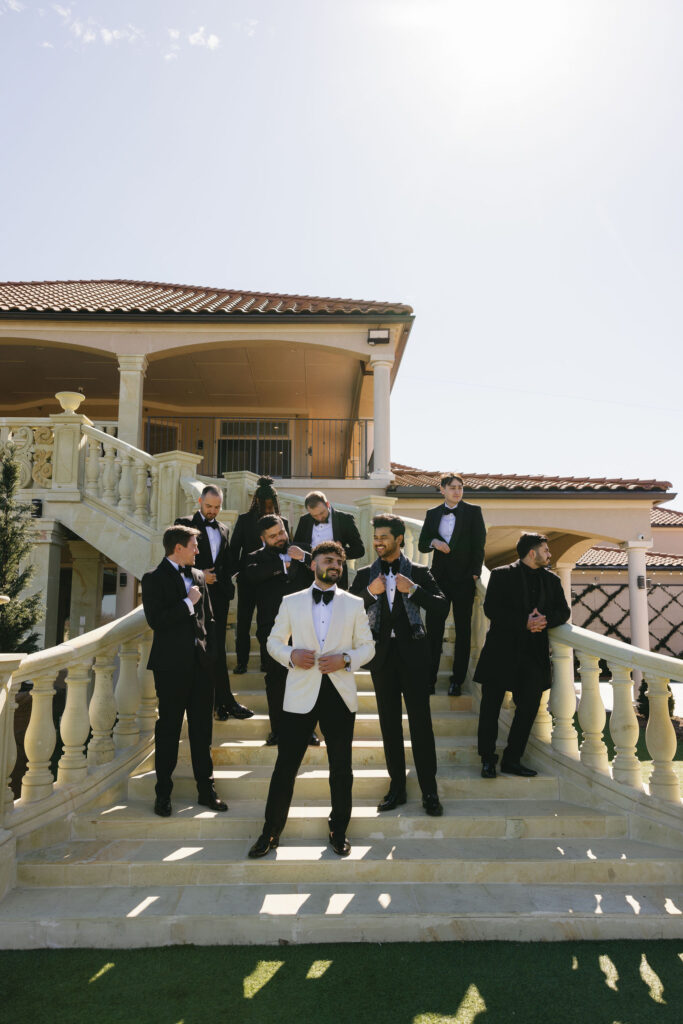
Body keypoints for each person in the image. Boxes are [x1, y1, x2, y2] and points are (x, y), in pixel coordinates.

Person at [248, 541, 375, 858]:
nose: (335, 565)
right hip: (301, 693)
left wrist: (345, 660)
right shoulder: (291, 602)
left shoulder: (354, 604)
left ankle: (339, 831)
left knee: (341, 769)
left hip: (339, 694)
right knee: (285, 767)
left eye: (339, 562)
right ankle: (271, 832)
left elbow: (368, 648)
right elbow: (273, 642)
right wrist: (291, 655)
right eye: (328, 560)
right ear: (313, 563)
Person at [350, 514, 446, 817]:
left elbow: (442, 606)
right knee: (389, 725)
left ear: (399, 539)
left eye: (384, 537)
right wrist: (370, 593)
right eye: (375, 537)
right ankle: (397, 788)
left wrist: (414, 590)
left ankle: (429, 791)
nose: (378, 542)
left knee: (421, 725)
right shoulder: (365, 574)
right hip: (382, 659)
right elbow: (347, 609)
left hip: (415, 657)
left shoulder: (419, 571)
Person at [141, 524, 227, 817]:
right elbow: (156, 620)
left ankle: (207, 790)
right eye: (194, 546)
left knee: (203, 732)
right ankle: (163, 793)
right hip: (170, 667)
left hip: (202, 666)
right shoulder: (153, 579)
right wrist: (187, 603)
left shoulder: (200, 576)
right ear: (178, 548)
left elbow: (210, 621)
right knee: (168, 729)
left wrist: (212, 655)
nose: (198, 551)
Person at [475, 532, 571, 779]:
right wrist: (524, 622)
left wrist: (544, 620)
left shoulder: (552, 580)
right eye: (545, 550)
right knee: (490, 709)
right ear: (532, 552)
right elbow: (491, 609)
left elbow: (564, 611)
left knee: (527, 709)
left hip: (533, 656)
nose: (549, 554)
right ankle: (487, 759)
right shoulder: (500, 575)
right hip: (500, 652)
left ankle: (512, 760)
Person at [175, 485, 253, 721]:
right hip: (194, 595)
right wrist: (200, 574)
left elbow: (227, 563)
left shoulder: (224, 529)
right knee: (200, 650)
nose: (212, 511)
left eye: (217, 507)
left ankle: (223, 702)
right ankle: (212, 702)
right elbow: (176, 558)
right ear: (199, 501)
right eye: (209, 506)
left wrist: (228, 583)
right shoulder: (184, 523)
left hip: (218, 598)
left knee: (217, 650)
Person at [244, 514, 317, 746]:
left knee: (307, 677)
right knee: (275, 679)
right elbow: (252, 576)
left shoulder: (307, 550)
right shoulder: (255, 558)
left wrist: (305, 558)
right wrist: (281, 565)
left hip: (306, 626)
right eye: (273, 536)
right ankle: (278, 730)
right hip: (273, 629)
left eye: (282, 532)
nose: (279, 538)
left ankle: (308, 731)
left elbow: (329, 571)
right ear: (263, 538)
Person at [418, 472, 486, 697]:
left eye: (460, 487)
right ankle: (428, 679)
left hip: (465, 580)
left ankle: (457, 681)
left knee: (464, 631)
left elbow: (479, 545)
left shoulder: (474, 512)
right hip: (437, 580)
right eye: (453, 487)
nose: (457, 491)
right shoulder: (432, 513)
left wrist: (475, 574)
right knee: (434, 631)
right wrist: (434, 542)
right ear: (443, 490)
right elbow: (421, 544)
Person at [229, 476, 290, 674]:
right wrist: (240, 572)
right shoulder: (245, 520)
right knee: (244, 622)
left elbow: (286, 549)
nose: (268, 509)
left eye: (271, 505)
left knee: (268, 623)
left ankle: (267, 661)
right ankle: (242, 662)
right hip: (248, 580)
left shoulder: (283, 522)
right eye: (265, 505)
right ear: (257, 502)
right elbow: (234, 549)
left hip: (272, 581)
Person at [293, 490, 365, 590]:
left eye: (322, 513)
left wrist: (340, 551)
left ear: (327, 504)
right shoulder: (304, 520)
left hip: (335, 575)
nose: (319, 517)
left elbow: (360, 550)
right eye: (314, 515)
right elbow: (298, 545)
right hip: (307, 577)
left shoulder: (345, 519)